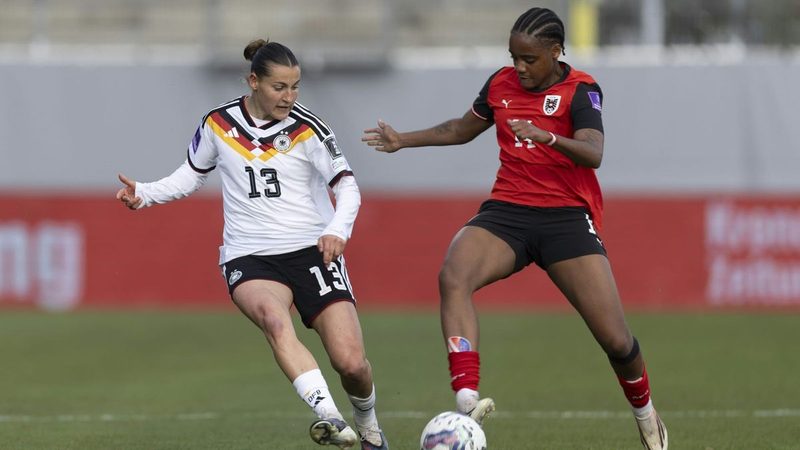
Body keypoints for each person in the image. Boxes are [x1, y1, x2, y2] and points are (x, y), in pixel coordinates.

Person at [362, 7, 667, 450]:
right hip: (509, 210)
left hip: (565, 217)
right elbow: (462, 129)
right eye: (514, 57)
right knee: (454, 275)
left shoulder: (580, 90)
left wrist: (548, 137)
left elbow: (593, 152)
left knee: (617, 340)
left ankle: (647, 418)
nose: (519, 68)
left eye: (529, 59)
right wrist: (402, 140)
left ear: (555, 52)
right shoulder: (500, 84)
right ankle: (466, 400)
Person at [117, 39, 388, 450]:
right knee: (274, 322)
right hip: (250, 255)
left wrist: (337, 229)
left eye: (295, 87)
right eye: (280, 87)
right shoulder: (218, 125)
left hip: (313, 250)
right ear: (254, 81)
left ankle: (368, 424)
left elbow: (347, 187)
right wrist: (147, 193)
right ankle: (331, 418)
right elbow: (191, 175)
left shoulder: (309, 129)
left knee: (351, 363)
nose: (289, 97)